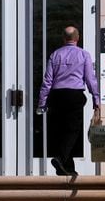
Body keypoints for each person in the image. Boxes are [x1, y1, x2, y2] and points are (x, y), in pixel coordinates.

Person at [37, 25, 100, 177]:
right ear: (77, 39)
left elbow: (47, 81)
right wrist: (96, 99)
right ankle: (60, 158)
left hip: (57, 96)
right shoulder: (84, 55)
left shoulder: (55, 55)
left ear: (64, 39)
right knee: (73, 130)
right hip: (74, 95)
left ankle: (67, 167)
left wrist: (42, 102)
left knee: (61, 131)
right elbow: (90, 79)